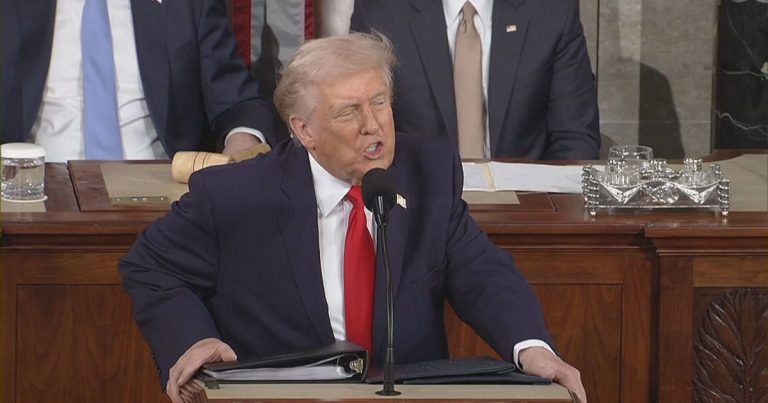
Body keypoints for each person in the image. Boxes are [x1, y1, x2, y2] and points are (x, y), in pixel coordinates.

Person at [119, 32, 587, 403]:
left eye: (380, 102)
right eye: (349, 112)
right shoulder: (237, 194)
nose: (373, 125)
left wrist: (533, 349)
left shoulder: (428, 172)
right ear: (304, 130)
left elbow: (480, 272)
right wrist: (193, 339)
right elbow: (151, 266)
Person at [1, 0, 286, 162]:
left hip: (165, 202)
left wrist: (241, 143)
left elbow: (236, 102)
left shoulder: (187, 5)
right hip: (32, 195)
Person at [350, 0, 600, 160]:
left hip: (527, 206)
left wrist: (546, 211)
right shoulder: (379, 11)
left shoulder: (552, 10)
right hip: (419, 205)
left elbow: (575, 137)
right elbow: (364, 136)